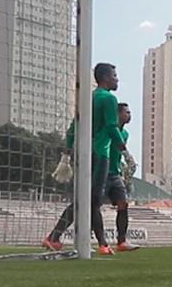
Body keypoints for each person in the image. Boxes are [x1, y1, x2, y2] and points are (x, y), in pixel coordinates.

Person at [42, 62, 124, 255]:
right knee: (91, 200)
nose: (116, 78)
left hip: (83, 153)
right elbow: (112, 127)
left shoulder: (88, 98)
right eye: (114, 75)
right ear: (105, 78)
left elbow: (73, 127)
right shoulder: (109, 98)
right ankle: (60, 237)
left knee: (87, 199)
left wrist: (66, 153)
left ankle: (93, 242)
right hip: (99, 153)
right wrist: (124, 149)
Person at [104, 103, 140, 252]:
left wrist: (124, 171)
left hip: (115, 173)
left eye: (130, 112)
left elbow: (119, 153)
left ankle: (121, 241)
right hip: (101, 172)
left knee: (123, 204)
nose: (129, 115)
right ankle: (95, 241)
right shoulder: (107, 130)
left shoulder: (125, 134)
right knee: (92, 205)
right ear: (117, 114)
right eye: (126, 112)